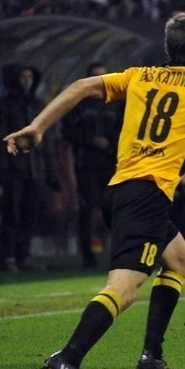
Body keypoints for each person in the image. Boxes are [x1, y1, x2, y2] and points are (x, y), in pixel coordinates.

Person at [4, 12, 185, 369]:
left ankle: (151, 356)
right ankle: (69, 356)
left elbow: (83, 86)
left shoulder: (139, 74)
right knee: (125, 288)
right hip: (148, 196)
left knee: (180, 257)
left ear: (168, 48)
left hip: (119, 189)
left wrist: (37, 127)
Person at [0, 63, 61, 272]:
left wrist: (51, 171)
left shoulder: (39, 105)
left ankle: (24, 256)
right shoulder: (4, 106)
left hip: (35, 169)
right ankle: (8, 257)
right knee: (11, 213)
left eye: (30, 76)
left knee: (29, 214)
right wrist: (2, 170)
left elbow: (48, 141)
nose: (27, 81)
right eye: (23, 76)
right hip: (14, 170)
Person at [61, 62, 122, 268]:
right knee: (87, 210)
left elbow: (124, 129)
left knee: (115, 208)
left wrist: (113, 144)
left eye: (104, 77)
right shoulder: (79, 105)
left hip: (110, 163)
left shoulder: (115, 103)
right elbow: (67, 131)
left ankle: (119, 252)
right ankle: (88, 255)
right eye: (96, 77)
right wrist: (91, 140)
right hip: (87, 163)